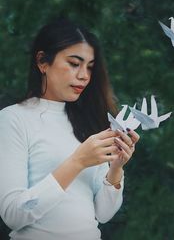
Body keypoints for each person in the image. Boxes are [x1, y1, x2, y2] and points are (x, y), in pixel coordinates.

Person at [0, 18, 139, 239]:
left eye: (90, 67)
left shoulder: (92, 123)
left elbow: (103, 214)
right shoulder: (13, 119)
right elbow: (13, 215)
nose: (84, 75)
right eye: (74, 63)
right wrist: (77, 162)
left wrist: (116, 168)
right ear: (43, 62)